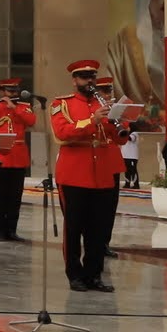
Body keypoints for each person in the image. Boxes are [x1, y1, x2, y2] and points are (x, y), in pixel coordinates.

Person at [48, 59, 127, 293]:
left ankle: (94, 274)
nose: (89, 81)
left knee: (99, 228)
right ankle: (75, 274)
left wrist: (119, 121)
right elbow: (62, 133)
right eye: (84, 77)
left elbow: (117, 139)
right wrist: (92, 121)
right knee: (74, 228)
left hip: (102, 172)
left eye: (92, 76)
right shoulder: (61, 104)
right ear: (75, 80)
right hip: (74, 173)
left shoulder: (103, 104)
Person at [0, 79, 37, 242]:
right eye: (10, 92)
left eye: (15, 91)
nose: (13, 94)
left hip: (19, 156)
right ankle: (0, 230)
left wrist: (14, 108)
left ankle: (12, 230)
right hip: (1, 157)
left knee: (15, 197)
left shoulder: (23, 107)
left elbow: (31, 122)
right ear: (2, 92)